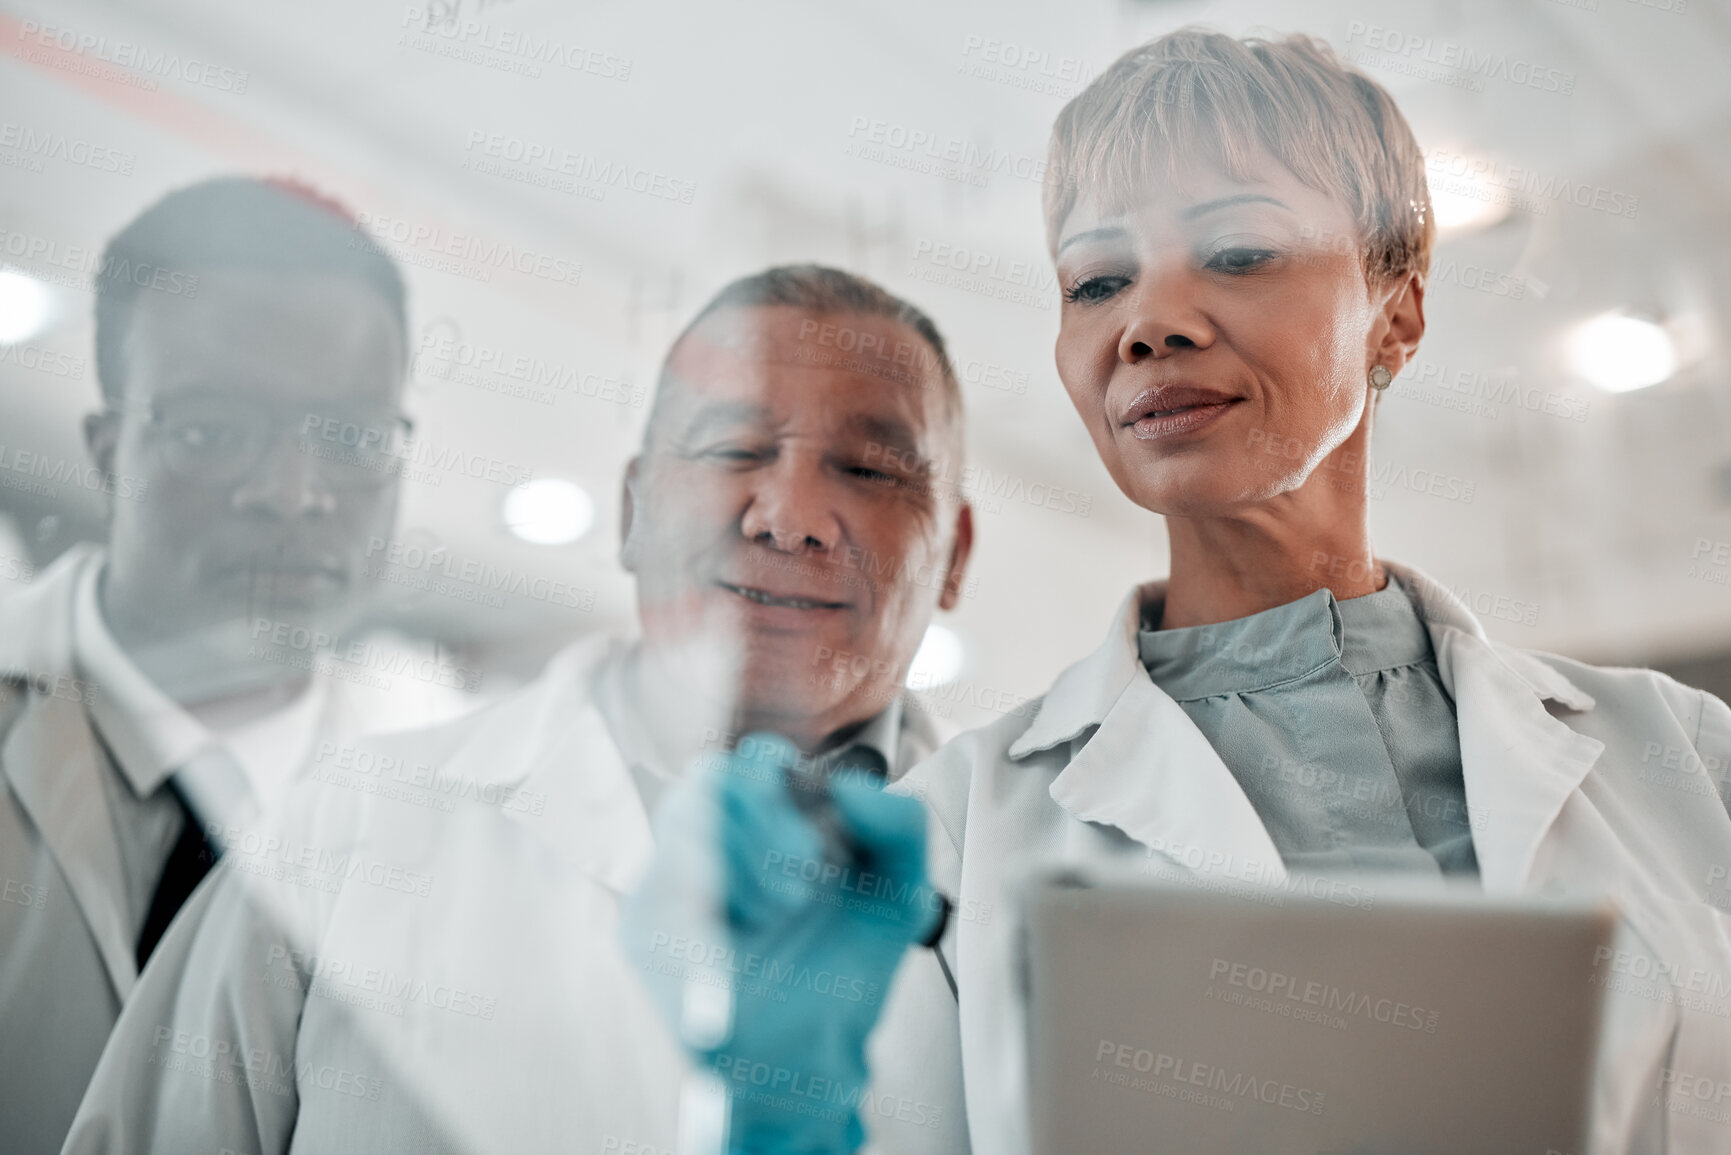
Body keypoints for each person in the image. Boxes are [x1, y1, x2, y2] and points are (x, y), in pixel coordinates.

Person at [632, 31, 1731, 1155]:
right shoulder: (953, 839)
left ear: (1395, 310)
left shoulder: (1689, 758)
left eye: (1241, 250)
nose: (1148, 323)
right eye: (1098, 280)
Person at [61, 265, 976, 1154]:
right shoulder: (340, 835)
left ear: (956, 554)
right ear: (631, 511)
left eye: (869, 467)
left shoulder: (1015, 907)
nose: (789, 513)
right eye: (731, 449)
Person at [0, 177, 410, 1155]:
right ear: (106, 451)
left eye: (350, 438)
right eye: (212, 430)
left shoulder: (447, 822)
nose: (290, 492)